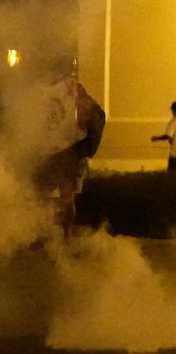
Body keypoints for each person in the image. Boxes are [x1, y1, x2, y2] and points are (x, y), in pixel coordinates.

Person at [36, 64, 106, 239]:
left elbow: (92, 115)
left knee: (53, 195)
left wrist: (85, 147)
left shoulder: (68, 90)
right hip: (63, 153)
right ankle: (55, 233)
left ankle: (59, 233)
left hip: (66, 153)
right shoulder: (63, 90)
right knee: (54, 195)